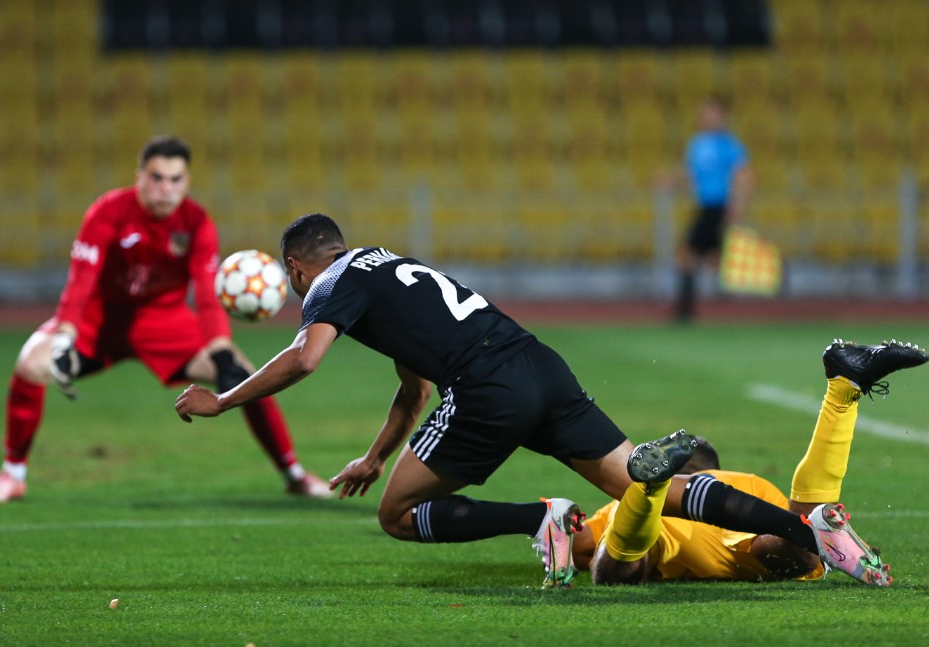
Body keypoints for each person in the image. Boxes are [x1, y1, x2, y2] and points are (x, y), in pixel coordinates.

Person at [174, 213, 900, 588]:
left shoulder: (330, 285)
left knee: (395, 516)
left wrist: (225, 399)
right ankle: (813, 531)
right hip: (539, 362)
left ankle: (541, 516)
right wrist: (373, 453)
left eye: (295, 283)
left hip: (488, 385)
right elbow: (412, 387)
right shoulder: (389, 266)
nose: (301, 296)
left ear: (299, 267)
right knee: (652, 486)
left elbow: (306, 358)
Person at [0, 136, 329, 504]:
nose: (166, 188)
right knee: (31, 363)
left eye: (175, 179)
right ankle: (12, 474)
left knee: (249, 376)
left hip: (166, 323)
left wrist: (222, 350)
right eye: (157, 177)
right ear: (140, 177)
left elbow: (207, 297)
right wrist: (65, 334)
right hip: (100, 322)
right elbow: (80, 279)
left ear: (186, 182)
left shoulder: (195, 223)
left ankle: (294, 474)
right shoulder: (108, 211)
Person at [573, 339, 927, 586]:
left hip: (646, 518)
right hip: (739, 508)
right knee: (799, 545)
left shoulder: (613, 503)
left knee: (616, 569)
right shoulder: (749, 483)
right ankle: (842, 390)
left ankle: (650, 490)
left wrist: (554, 539)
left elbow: (580, 546)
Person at [673, 93, 754, 323]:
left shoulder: (729, 145)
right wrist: (671, 180)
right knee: (702, 258)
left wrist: (738, 206)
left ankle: (686, 313)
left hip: (719, 207)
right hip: (704, 206)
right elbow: (692, 177)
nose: (706, 117)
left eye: (711, 112)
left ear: (722, 116)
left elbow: (744, 175)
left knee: (689, 256)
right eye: (704, 112)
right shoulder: (697, 144)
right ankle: (694, 311)